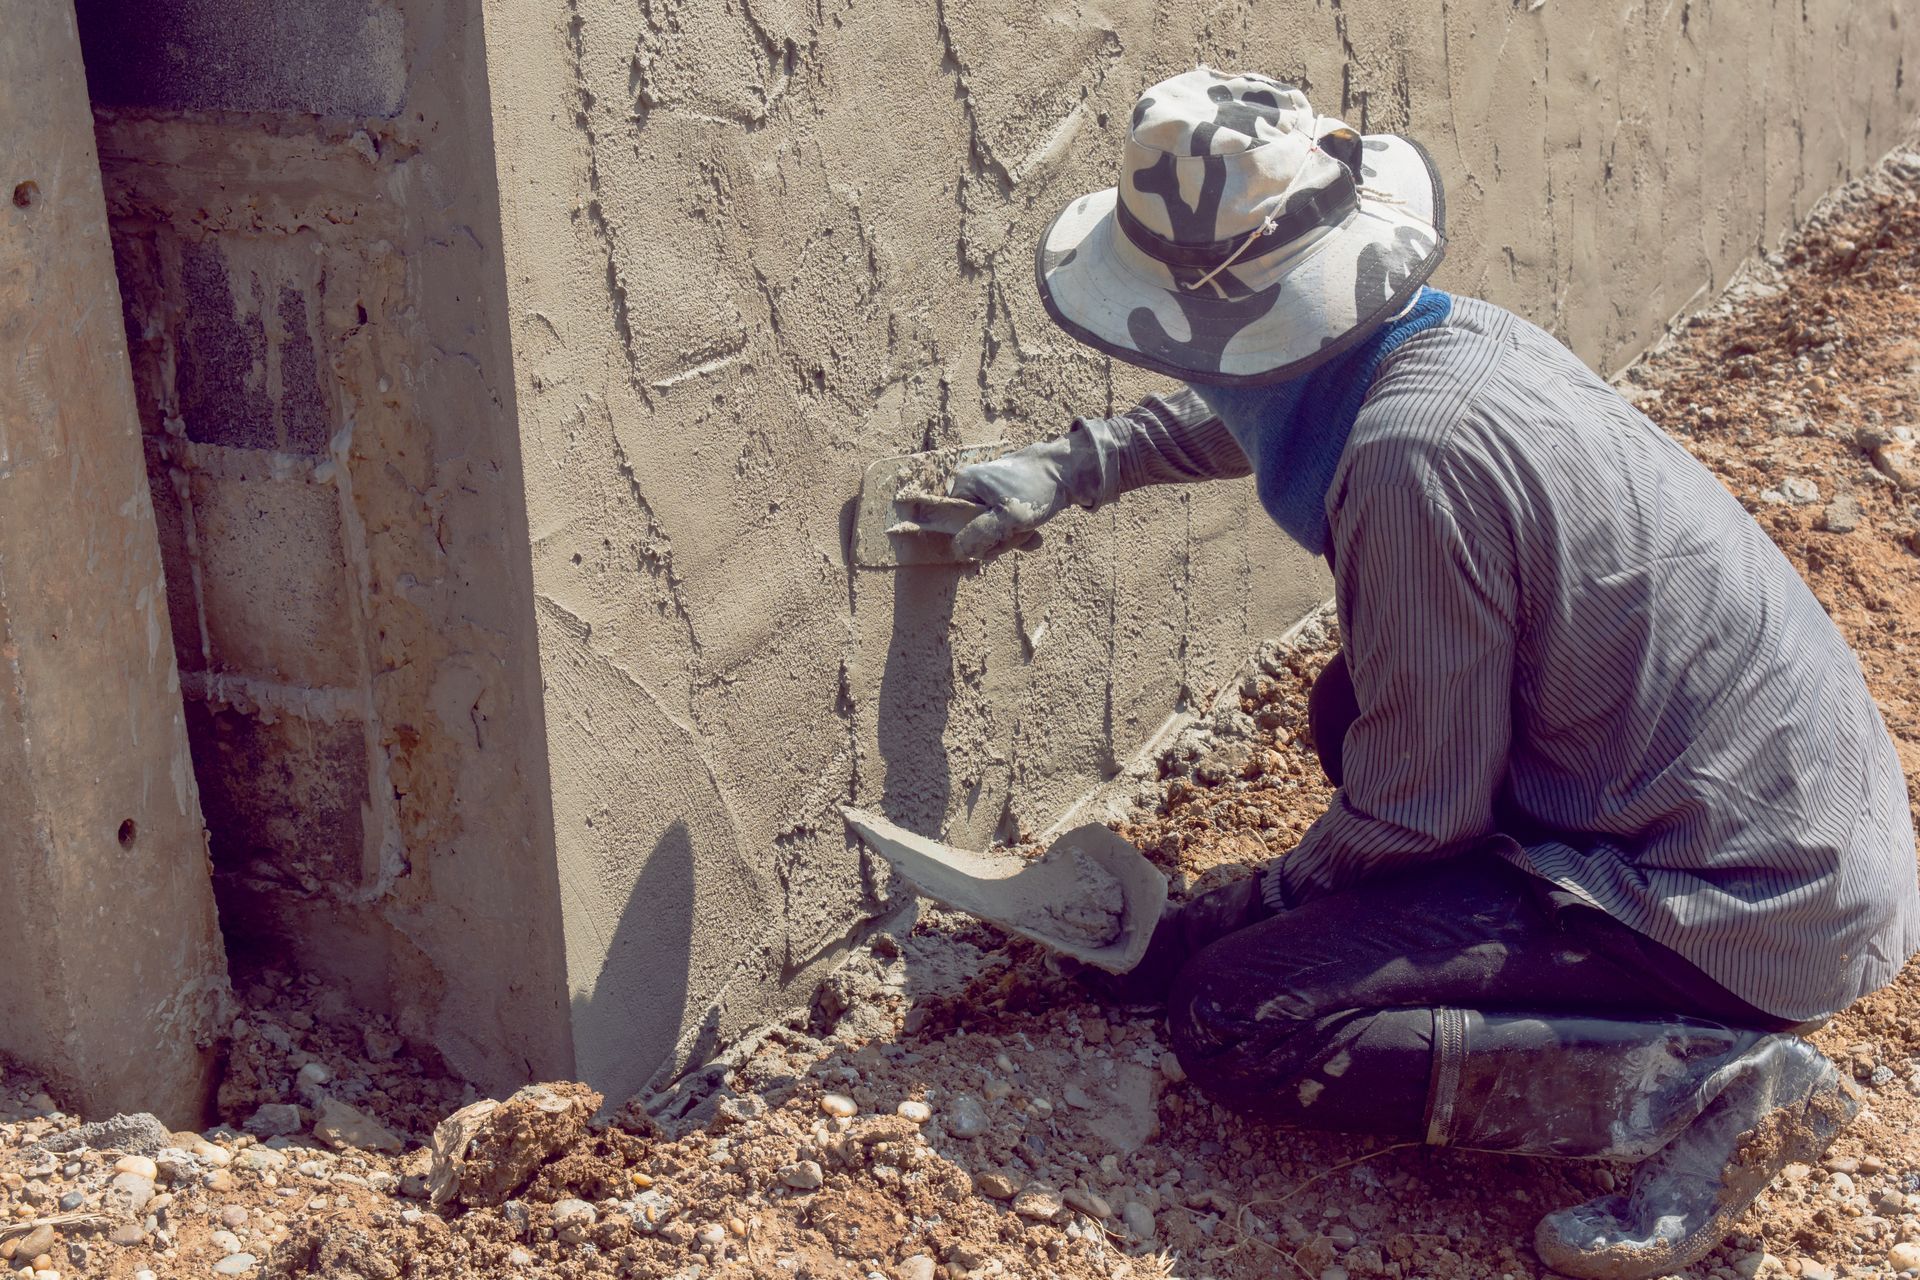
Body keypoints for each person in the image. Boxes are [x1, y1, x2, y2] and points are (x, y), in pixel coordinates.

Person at [937, 67, 1920, 1280]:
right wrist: (1073, 464)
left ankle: (1704, 1086)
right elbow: (1254, 398)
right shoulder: (1448, 343)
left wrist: (1240, 911)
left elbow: (1416, 811)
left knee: (1245, 1016)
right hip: (1801, 827)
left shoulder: (1412, 463)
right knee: (1352, 707)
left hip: (1742, 904)